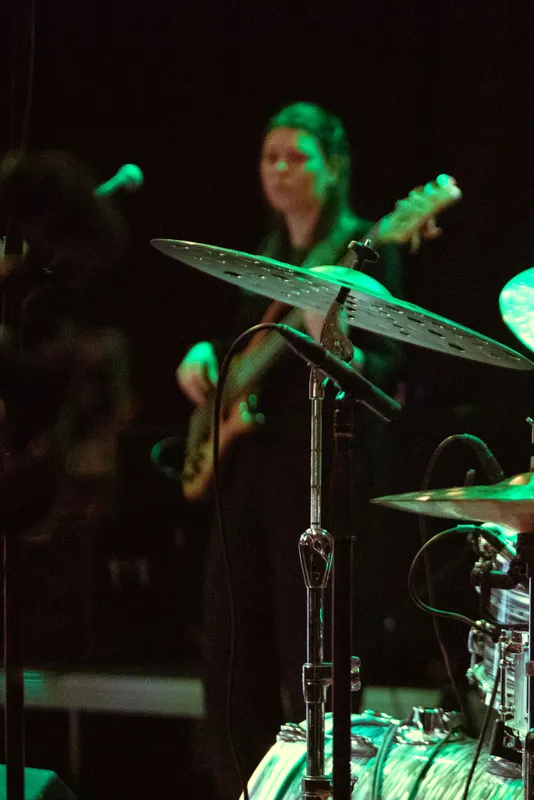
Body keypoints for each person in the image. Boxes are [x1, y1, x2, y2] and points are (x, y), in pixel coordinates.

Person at [174, 102, 426, 798]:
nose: (280, 169)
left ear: (334, 167)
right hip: (246, 473)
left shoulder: (366, 249)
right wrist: (203, 358)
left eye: (297, 157)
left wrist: (333, 339)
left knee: (307, 650)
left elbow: (388, 372)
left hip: (313, 474)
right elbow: (238, 352)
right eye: (270, 157)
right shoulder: (264, 254)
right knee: (233, 655)